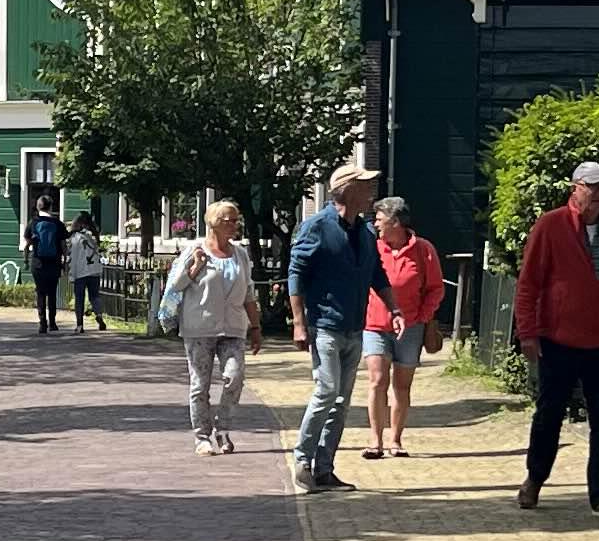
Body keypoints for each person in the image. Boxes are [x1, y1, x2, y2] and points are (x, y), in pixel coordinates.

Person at [513, 157, 599, 518]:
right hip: (559, 338)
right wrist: (528, 332)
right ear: (576, 189)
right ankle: (535, 479)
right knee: (549, 413)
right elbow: (529, 283)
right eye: (592, 187)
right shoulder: (551, 225)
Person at [284, 167, 385, 494]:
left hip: (355, 328)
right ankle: (302, 462)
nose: (371, 192)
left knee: (341, 402)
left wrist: (395, 309)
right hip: (325, 326)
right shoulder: (316, 226)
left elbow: (377, 274)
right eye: (365, 185)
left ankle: (324, 470)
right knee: (326, 392)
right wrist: (299, 323)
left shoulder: (366, 232)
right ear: (348, 189)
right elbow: (296, 273)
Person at [159, 198, 259, 451]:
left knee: (235, 377)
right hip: (199, 327)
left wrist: (256, 327)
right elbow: (175, 286)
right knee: (199, 385)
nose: (235, 225)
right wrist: (195, 267)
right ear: (214, 223)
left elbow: (248, 292)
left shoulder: (240, 254)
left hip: (233, 328)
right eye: (230, 221)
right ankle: (202, 436)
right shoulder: (195, 250)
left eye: (236, 220)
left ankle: (223, 429)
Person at [360, 193, 444, 460]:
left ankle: (395, 439)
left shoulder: (423, 250)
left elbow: (435, 288)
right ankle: (375, 440)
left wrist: (421, 316)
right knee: (377, 380)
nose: (375, 224)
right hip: (375, 324)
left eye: (380, 219)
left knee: (402, 385)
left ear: (395, 222)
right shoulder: (372, 248)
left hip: (411, 327)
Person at [24, 195, 70, 336]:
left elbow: (27, 243)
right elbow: (64, 246)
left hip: (38, 263)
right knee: (52, 292)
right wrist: (65, 262)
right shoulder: (58, 224)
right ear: (50, 207)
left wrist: (26, 260)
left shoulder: (33, 222)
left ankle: (42, 323)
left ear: (38, 207)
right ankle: (53, 322)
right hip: (54, 263)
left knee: (40, 293)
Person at [66, 212, 106, 332]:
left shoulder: (76, 238)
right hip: (94, 271)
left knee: (79, 298)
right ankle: (99, 315)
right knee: (95, 296)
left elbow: (73, 257)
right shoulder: (94, 236)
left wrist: (71, 275)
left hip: (81, 271)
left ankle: (80, 325)